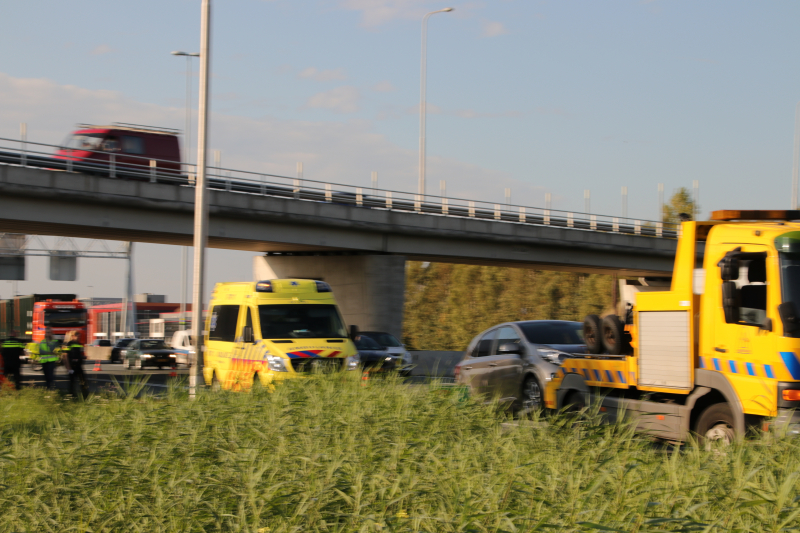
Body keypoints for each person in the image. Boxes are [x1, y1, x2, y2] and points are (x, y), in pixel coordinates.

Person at [62, 330, 88, 398]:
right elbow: (65, 356)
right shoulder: (68, 344)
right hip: (72, 366)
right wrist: (68, 367)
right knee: (72, 382)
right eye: (77, 336)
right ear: (73, 336)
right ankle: (71, 395)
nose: (79, 338)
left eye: (79, 336)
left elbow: (79, 354)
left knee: (83, 381)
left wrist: (83, 357)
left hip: (78, 365)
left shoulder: (79, 344)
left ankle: (85, 396)